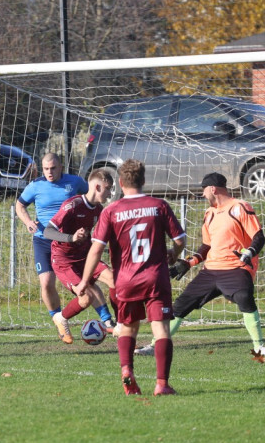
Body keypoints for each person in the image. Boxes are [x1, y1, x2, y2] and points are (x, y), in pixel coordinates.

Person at [78, 159, 186, 396]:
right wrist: (174, 254)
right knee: (161, 331)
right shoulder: (159, 206)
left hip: (125, 280)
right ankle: (162, 384)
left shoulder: (111, 211)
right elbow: (180, 240)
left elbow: (95, 249)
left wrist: (85, 280)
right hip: (156, 278)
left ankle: (127, 372)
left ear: (120, 183)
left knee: (127, 328)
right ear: (143, 181)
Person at [143, 172, 265, 359]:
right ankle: (155, 345)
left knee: (245, 297)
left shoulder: (240, 207)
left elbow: (259, 236)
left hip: (235, 268)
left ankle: (259, 348)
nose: (203, 195)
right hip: (211, 271)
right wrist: (188, 263)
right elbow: (207, 246)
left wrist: (249, 252)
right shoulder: (209, 214)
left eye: (204, 190)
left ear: (213, 188)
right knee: (180, 306)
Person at [15, 153, 88, 343]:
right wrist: (28, 222)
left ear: (61, 166)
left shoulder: (75, 183)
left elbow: (91, 199)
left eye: (53, 168)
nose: (49, 172)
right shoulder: (35, 186)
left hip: (69, 241)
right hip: (43, 240)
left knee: (86, 284)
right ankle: (59, 320)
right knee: (46, 283)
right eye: (46, 169)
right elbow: (19, 206)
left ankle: (108, 320)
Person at [43, 168, 117, 333]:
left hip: (84, 256)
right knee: (85, 298)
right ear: (97, 187)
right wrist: (71, 237)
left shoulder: (98, 210)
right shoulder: (72, 205)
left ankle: (118, 323)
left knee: (114, 280)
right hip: (64, 260)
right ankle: (61, 318)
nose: (109, 194)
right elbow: (48, 231)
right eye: (108, 189)